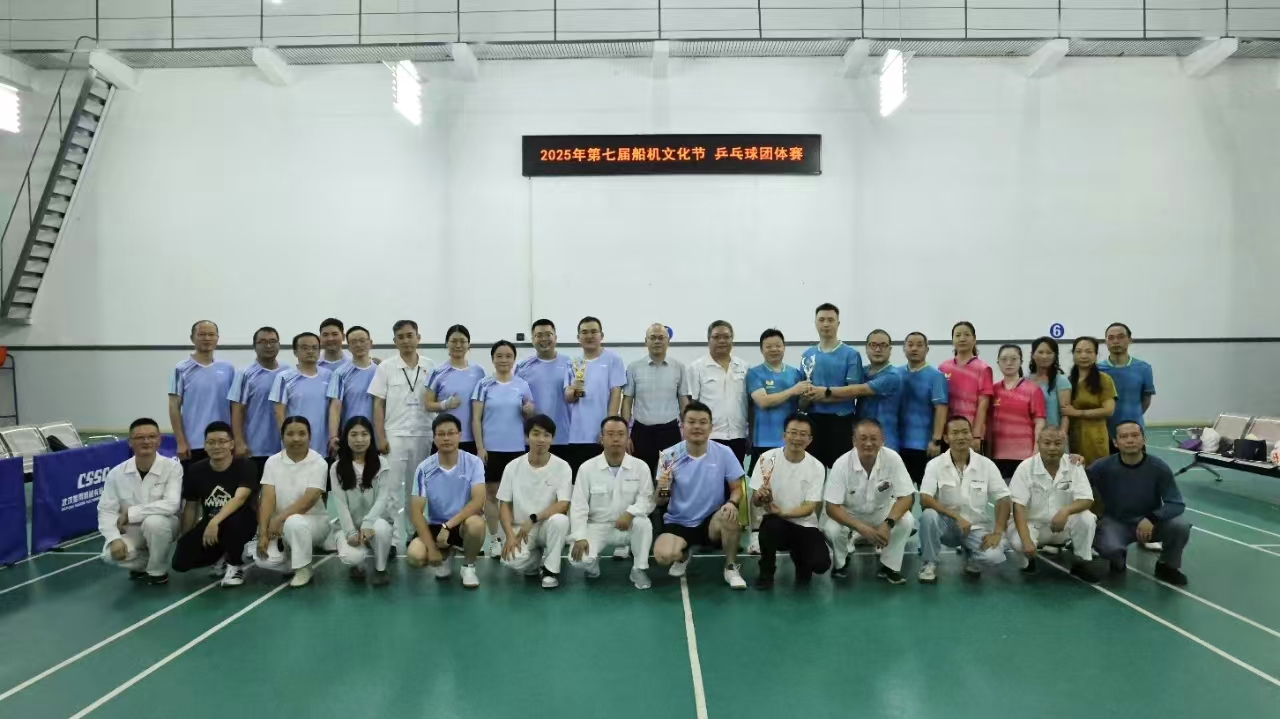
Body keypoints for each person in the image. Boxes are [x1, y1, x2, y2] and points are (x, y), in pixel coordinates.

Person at [652, 401, 747, 590]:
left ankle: (730, 567)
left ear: (711, 427)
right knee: (663, 556)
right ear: (682, 426)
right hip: (679, 521)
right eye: (691, 422)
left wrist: (732, 503)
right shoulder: (669, 455)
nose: (697, 426)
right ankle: (684, 554)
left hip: (711, 521)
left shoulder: (724, 452)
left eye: (703, 422)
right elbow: (660, 501)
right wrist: (663, 487)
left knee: (730, 515)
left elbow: (737, 488)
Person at [1088, 422, 1192, 585]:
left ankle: (1167, 565)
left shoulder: (1158, 467)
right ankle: (1117, 559)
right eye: (1124, 436)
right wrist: (1075, 461)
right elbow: (1079, 482)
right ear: (1116, 442)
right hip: (1116, 522)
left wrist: (1152, 518)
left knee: (1180, 526)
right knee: (1110, 547)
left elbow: (1176, 504)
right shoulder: (1102, 467)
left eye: (1135, 435)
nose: (1130, 440)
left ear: (1144, 439)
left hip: (1150, 524)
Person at [822, 418, 917, 585]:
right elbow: (831, 507)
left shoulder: (893, 458)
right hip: (850, 514)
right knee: (831, 529)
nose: (868, 443)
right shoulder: (842, 464)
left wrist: (888, 523)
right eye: (863, 438)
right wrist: (860, 527)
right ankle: (842, 562)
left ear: (882, 440)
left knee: (907, 521)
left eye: (874, 438)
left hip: (881, 512)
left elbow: (907, 497)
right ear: (854, 440)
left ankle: (889, 567)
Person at [369, 319, 435, 553]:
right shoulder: (386, 367)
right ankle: (393, 538)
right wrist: (380, 437)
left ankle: (414, 532)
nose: (406, 340)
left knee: (417, 488)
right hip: (394, 435)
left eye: (410, 335)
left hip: (423, 433)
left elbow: (435, 400)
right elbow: (378, 404)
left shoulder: (431, 366)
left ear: (418, 338)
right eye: (401, 337)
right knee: (391, 488)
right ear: (394, 341)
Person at [918, 416, 1011, 582]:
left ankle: (972, 555)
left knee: (995, 556)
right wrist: (956, 517)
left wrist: (998, 532)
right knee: (928, 515)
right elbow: (925, 498)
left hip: (976, 527)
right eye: (955, 433)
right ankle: (929, 563)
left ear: (971, 435)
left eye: (965, 432)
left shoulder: (986, 464)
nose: (961, 437)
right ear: (946, 438)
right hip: (947, 525)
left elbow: (1003, 498)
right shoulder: (935, 464)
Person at [569, 416, 655, 589]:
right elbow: (578, 506)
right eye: (610, 434)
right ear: (601, 438)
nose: (616, 439)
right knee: (578, 560)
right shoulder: (587, 468)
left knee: (643, 522)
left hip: (628, 525)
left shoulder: (640, 467)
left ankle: (638, 569)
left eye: (621, 434)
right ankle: (592, 564)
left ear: (628, 438)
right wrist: (580, 536)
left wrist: (630, 513)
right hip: (596, 526)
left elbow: (647, 499)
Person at [171, 421, 259, 587]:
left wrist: (215, 521)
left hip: (242, 522)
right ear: (205, 446)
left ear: (231, 444)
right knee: (180, 562)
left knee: (233, 522)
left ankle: (235, 565)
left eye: (222, 441)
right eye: (211, 442)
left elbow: (239, 498)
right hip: (212, 523)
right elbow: (191, 506)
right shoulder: (196, 470)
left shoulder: (246, 465)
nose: (216, 446)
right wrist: (186, 537)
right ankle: (222, 555)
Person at [745, 328, 809, 553]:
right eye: (769, 346)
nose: (774, 349)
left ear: (784, 347)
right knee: (759, 489)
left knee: (789, 488)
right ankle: (755, 535)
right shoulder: (754, 373)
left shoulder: (796, 373)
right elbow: (763, 402)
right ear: (762, 349)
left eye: (778, 345)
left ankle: (791, 530)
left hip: (791, 443)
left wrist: (806, 396)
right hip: (763, 441)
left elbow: (801, 406)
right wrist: (793, 390)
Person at [97, 418, 183, 585]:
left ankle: (157, 570)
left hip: (165, 525)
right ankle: (145, 561)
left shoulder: (172, 467)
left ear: (159, 440)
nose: (146, 441)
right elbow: (106, 510)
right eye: (139, 437)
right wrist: (114, 538)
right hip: (133, 530)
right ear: (130, 442)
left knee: (154, 523)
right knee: (109, 555)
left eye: (151, 436)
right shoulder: (116, 473)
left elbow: (172, 504)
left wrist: (131, 514)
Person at [748, 414, 829, 589]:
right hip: (776, 523)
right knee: (770, 525)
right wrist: (760, 497)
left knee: (821, 564)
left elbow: (809, 507)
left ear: (810, 440)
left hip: (805, 525)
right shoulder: (766, 458)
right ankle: (766, 571)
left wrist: (783, 512)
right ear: (784, 435)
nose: (797, 438)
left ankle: (800, 559)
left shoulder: (816, 467)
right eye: (793, 432)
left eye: (803, 434)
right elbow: (755, 502)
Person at [406, 414, 487, 589]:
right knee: (415, 556)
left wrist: (448, 526)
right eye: (441, 434)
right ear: (434, 438)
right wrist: (431, 549)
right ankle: (444, 553)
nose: (446, 438)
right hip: (435, 525)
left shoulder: (474, 462)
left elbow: (478, 501)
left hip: (462, 523)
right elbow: (416, 512)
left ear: (460, 435)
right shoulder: (424, 468)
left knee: (477, 524)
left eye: (451, 433)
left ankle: (468, 567)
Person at [1006, 427, 1098, 580]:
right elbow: (1018, 507)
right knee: (1020, 543)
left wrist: (1065, 511)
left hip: (1062, 524)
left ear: (1064, 444)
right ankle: (1028, 560)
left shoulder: (1074, 465)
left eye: (1057, 443)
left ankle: (1081, 562)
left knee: (1087, 518)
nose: (1052, 448)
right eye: (1047, 443)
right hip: (1032, 525)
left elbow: (1087, 499)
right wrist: (1026, 541)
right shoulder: (1025, 468)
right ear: (1038, 443)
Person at [472, 340, 537, 558]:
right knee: (491, 494)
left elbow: (530, 414)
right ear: (492, 359)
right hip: (491, 449)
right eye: (499, 356)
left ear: (514, 359)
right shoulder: (483, 384)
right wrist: (480, 447)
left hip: (517, 448)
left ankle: (517, 537)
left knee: (514, 496)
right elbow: (476, 418)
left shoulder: (522, 384)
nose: (504, 360)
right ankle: (495, 539)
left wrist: (529, 410)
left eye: (508, 356)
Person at [497, 415, 573, 589]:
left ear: (552, 439)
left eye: (546, 435)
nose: (541, 439)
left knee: (561, 521)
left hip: (546, 525)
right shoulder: (512, 467)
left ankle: (551, 571)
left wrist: (533, 519)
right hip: (522, 530)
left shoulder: (562, 466)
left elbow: (563, 504)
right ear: (527, 437)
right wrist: (510, 537)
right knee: (510, 560)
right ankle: (534, 559)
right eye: (536, 434)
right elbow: (504, 505)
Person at [254, 416, 330, 587]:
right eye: (290, 434)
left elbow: (308, 500)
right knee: (265, 561)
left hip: (314, 523)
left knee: (294, 522)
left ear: (310, 436)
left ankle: (304, 569)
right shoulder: (272, 462)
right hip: (279, 525)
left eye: (302, 434)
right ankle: (289, 554)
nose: (296, 439)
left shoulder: (319, 462)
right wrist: (263, 533)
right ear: (282, 437)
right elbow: (267, 499)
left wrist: (279, 519)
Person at [329, 416, 393, 586]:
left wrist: (368, 522)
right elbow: (340, 503)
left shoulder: (382, 463)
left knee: (381, 528)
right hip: (349, 525)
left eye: (364, 434)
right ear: (345, 437)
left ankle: (381, 569)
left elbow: (382, 498)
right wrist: (350, 532)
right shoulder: (337, 467)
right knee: (352, 557)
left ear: (371, 437)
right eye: (354, 434)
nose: (359, 440)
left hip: (375, 522)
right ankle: (358, 563)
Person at [800, 303, 864, 468]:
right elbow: (802, 392)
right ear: (815, 323)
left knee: (841, 472)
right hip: (813, 422)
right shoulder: (807, 355)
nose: (826, 324)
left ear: (838, 323)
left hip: (841, 422)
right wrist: (805, 398)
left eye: (830, 320)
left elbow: (854, 392)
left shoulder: (851, 354)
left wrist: (825, 393)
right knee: (814, 472)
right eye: (821, 320)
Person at [562, 316, 627, 475]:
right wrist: (574, 390)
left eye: (593, 332)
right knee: (578, 480)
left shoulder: (613, 359)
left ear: (601, 335)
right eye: (584, 332)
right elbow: (567, 396)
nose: (589, 336)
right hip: (576, 435)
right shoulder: (573, 362)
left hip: (601, 435)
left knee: (603, 479)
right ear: (578, 337)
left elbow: (616, 394)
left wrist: (608, 429)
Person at [622, 323, 687, 479]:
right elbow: (627, 401)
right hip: (641, 433)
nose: (657, 341)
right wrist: (625, 434)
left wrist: (687, 429)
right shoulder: (634, 367)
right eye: (653, 338)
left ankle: (665, 497)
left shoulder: (678, 367)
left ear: (668, 341)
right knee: (640, 477)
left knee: (669, 479)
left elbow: (683, 399)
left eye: (661, 337)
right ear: (646, 341)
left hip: (670, 432)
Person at [684, 320, 749, 469]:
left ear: (732, 339)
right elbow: (691, 405)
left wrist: (749, 434)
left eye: (726, 337)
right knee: (710, 479)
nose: (722, 341)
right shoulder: (696, 368)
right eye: (716, 337)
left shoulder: (744, 367)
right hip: (709, 437)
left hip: (738, 435)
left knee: (735, 479)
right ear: (709, 340)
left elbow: (749, 403)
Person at [168, 320, 235, 464]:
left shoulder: (228, 368)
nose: (207, 338)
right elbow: (174, 407)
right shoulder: (181, 368)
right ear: (192, 338)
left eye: (211, 334)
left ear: (217, 338)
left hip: (223, 443)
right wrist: (180, 441)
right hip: (193, 444)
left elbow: (234, 407)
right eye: (202, 334)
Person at [230, 327, 286, 478]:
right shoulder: (245, 373)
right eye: (263, 342)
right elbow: (237, 410)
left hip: (284, 447)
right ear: (254, 346)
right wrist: (239, 442)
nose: (268, 345)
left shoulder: (288, 371)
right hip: (255, 448)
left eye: (273, 341)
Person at [516, 319, 573, 462]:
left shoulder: (570, 364)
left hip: (563, 436)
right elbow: (513, 396)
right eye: (539, 335)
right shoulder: (522, 366)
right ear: (532, 339)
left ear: (555, 337)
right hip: (532, 437)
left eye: (548, 334)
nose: (544, 339)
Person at [425, 324, 486, 455]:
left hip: (472, 438)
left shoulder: (479, 371)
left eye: (462, 341)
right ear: (447, 343)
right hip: (445, 437)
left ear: (469, 344)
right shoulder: (436, 372)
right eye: (454, 341)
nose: (458, 345)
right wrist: (445, 404)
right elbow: (428, 404)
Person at [269, 333, 333, 456]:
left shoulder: (329, 376)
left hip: (323, 446)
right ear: (295, 352)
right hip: (295, 445)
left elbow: (334, 410)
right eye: (305, 348)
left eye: (314, 348)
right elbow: (279, 413)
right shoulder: (284, 377)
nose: (310, 351)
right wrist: (287, 439)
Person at [898, 331, 948, 486]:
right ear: (904, 348)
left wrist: (936, 440)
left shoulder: (936, 376)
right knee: (900, 491)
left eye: (919, 345)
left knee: (926, 491)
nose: (914, 348)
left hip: (924, 445)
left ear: (927, 350)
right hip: (898, 444)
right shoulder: (896, 373)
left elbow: (941, 408)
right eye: (910, 345)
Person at [989, 344, 1047, 478]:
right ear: (998, 363)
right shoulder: (993, 390)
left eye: (1014, 359)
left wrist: (1036, 451)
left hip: (1025, 455)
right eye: (1004, 359)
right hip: (997, 454)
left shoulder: (1033, 389)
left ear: (1021, 361)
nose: (1009, 363)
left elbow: (1040, 422)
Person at [938, 321, 993, 453]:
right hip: (949, 432)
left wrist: (976, 435)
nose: (962, 338)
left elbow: (983, 404)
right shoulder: (943, 367)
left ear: (974, 339)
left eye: (967, 335)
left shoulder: (983, 368)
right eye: (957, 335)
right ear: (952, 340)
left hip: (970, 433)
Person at [1063, 337, 1116, 468]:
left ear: (1095, 355)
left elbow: (1109, 410)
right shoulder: (1067, 380)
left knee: (1096, 472)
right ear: (1073, 354)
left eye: (1088, 351)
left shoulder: (1104, 379)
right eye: (1079, 351)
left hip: (1095, 438)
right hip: (1073, 437)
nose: (1083, 355)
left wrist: (1077, 413)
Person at [1099, 322, 1156, 444]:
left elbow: (1146, 401)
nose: (1115, 341)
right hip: (1103, 433)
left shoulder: (1144, 368)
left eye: (1120, 337)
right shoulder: (1097, 370)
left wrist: (1131, 417)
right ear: (1106, 342)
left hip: (1133, 433)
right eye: (1111, 338)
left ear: (1130, 340)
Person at [326, 325, 378, 454]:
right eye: (353, 342)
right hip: (351, 435)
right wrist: (333, 436)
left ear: (370, 343)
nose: (358, 345)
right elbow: (335, 407)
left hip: (377, 435)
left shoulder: (381, 370)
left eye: (362, 340)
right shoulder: (340, 373)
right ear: (348, 347)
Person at [854, 330, 903, 451]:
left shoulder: (893, 375)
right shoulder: (861, 371)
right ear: (866, 348)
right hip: (861, 439)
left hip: (885, 442)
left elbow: (857, 390)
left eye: (883, 345)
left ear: (890, 350)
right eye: (873, 345)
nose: (878, 349)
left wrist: (826, 392)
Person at [1029, 336, 1071, 439]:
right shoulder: (1025, 380)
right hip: (1028, 437)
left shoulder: (1061, 380)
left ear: (1055, 356)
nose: (1044, 356)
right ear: (1033, 355)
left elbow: (1065, 414)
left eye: (1049, 353)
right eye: (1040, 352)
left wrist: (1061, 436)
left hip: (1053, 439)